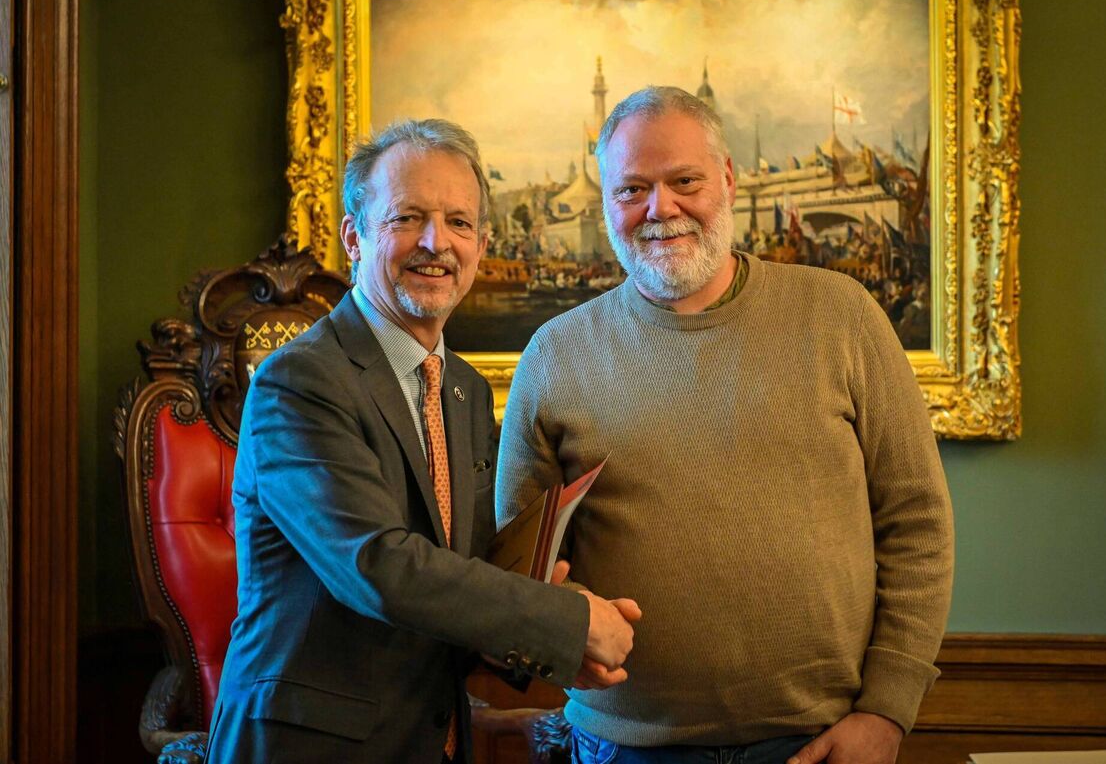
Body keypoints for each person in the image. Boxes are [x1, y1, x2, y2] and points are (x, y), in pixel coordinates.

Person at [496, 87, 953, 764]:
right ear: (607, 204)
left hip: (822, 740)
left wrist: (888, 708)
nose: (661, 209)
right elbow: (521, 565)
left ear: (729, 180)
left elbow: (917, 522)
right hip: (623, 746)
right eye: (632, 190)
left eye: (685, 181)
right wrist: (566, 629)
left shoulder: (843, 316)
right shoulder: (556, 353)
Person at [205, 118, 640, 764]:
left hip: (432, 737)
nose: (436, 242)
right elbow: (380, 567)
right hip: (308, 745)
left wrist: (549, 633)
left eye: (460, 223)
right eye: (407, 218)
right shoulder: (299, 380)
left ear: (483, 243)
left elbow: (461, 575)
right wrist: (567, 623)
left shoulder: (460, 388)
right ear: (354, 235)